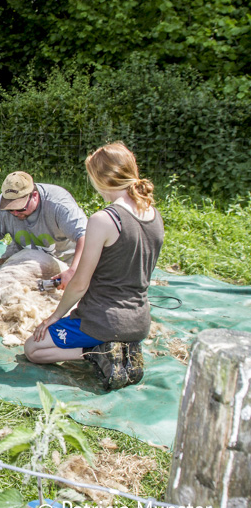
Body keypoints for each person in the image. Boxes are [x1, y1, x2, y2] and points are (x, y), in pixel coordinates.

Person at [25, 142, 164, 390]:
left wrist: (54, 316)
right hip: (139, 321)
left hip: (102, 321)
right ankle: (121, 349)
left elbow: (79, 282)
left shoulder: (104, 219)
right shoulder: (153, 214)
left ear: (99, 179)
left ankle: (97, 351)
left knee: (33, 349)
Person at [0, 171, 87, 289]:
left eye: (20, 208)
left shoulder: (58, 205)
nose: (15, 213)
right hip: (22, 253)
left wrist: (74, 270)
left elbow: (85, 237)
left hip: (62, 258)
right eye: (10, 209)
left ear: (34, 196)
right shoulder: (0, 208)